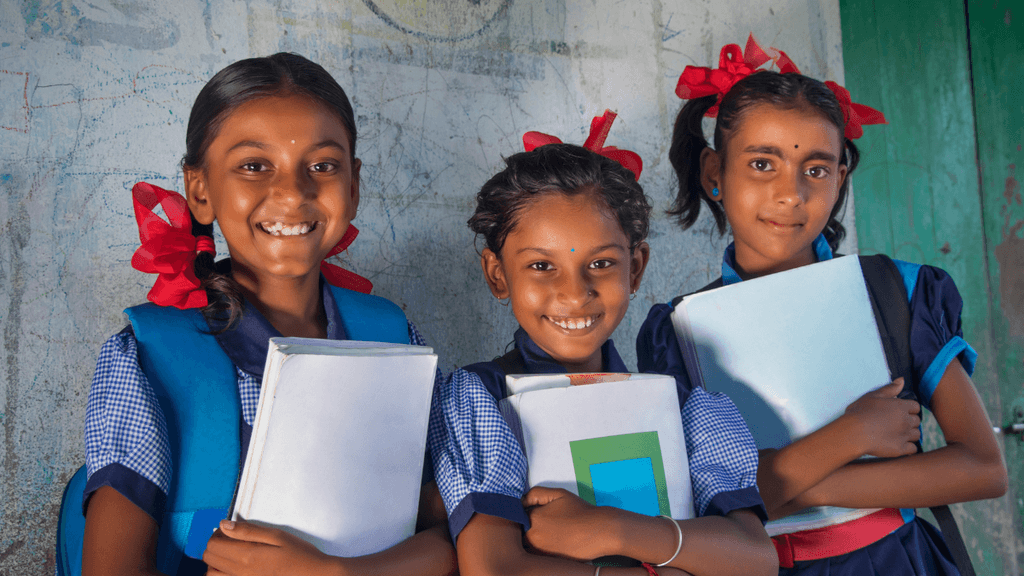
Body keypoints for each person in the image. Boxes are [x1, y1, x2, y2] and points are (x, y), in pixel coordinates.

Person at [636, 36, 1008, 575]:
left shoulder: (893, 292)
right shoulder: (681, 333)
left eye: (815, 169)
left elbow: (981, 469)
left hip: (896, 562)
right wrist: (851, 436)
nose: (791, 194)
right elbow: (693, 501)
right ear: (714, 174)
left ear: (840, 177)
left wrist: (777, 487)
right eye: (763, 164)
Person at [80, 53, 455, 576]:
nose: (292, 192)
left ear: (354, 185)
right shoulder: (148, 355)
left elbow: (460, 533)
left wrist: (336, 573)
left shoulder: (394, 337)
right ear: (200, 191)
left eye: (323, 166)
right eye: (254, 166)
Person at [428, 114, 777, 576]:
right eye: (540, 266)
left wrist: (611, 529)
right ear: (497, 275)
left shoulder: (682, 405)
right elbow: (494, 568)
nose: (575, 294)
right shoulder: (480, 403)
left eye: (602, 263)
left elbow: (755, 558)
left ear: (636, 267)